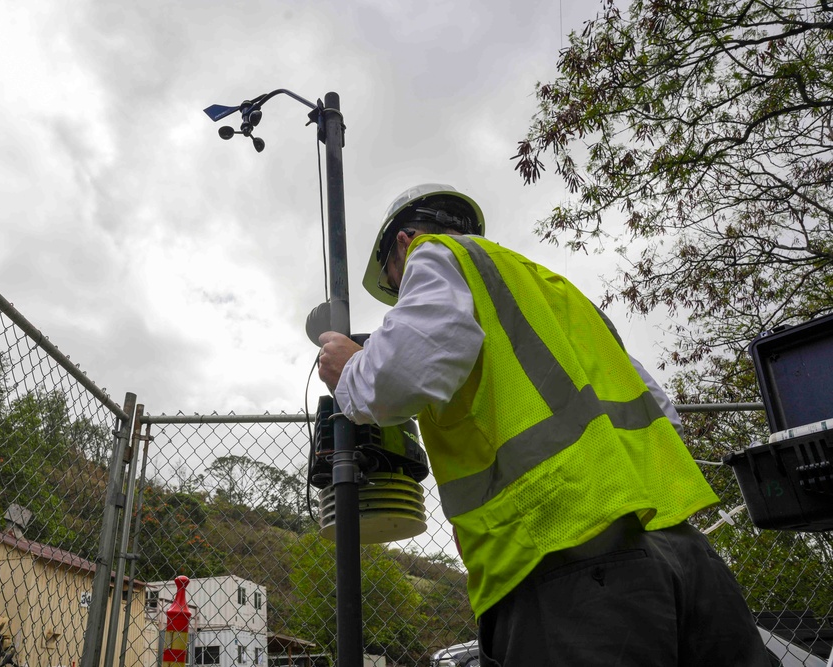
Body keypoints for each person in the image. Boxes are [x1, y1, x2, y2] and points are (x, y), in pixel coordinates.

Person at [317, 184, 770, 666]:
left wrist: (350, 370)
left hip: (563, 561)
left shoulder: (438, 255)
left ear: (404, 243)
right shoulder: (557, 293)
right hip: (683, 553)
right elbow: (662, 411)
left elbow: (400, 375)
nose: (399, 300)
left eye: (394, 284)